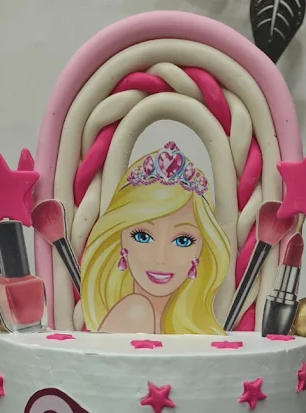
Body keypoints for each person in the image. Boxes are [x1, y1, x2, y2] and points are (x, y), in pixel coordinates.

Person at [80, 142, 230, 334]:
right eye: (143, 236)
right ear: (121, 239)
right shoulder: (135, 312)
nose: (161, 258)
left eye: (182, 241)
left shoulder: (180, 320)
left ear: (202, 247)